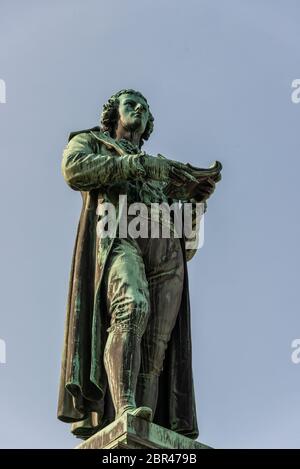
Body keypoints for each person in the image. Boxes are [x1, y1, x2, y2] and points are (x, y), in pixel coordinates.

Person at [57, 89, 213, 440]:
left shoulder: (160, 171)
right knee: (132, 306)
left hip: (167, 254)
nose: (139, 109)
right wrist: (134, 165)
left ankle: (144, 431)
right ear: (115, 113)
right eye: (132, 104)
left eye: (145, 107)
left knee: (157, 347)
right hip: (119, 234)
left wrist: (196, 202)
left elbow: (188, 243)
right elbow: (73, 169)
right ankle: (124, 408)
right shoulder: (91, 142)